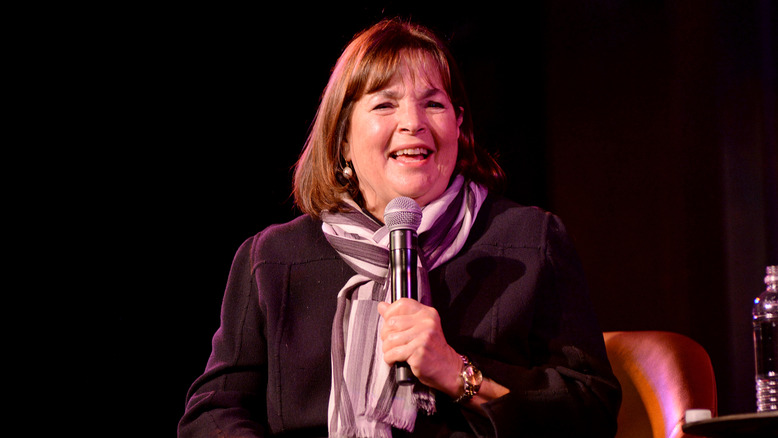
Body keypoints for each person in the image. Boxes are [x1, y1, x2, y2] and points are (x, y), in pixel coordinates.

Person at [178, 18, 621, 438]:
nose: (413, 123)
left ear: (459, 125)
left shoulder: (530, 240)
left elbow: (593, 410)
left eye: (433, 103)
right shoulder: (274, 259)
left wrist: (459, 374)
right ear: (342, 138)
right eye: (385, 104)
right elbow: (214, 411)